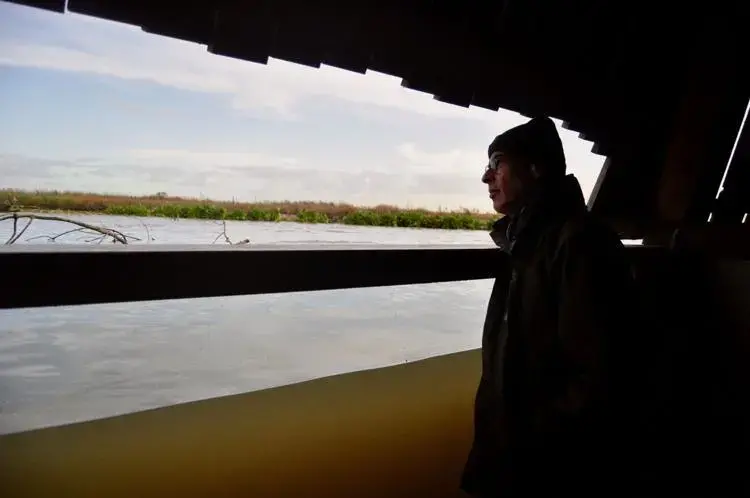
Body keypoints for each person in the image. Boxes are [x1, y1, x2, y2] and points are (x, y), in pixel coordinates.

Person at [460, 116, 638, 497]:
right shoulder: (525, 241)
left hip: (549, 467)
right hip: (517, 455)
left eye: (496, 164)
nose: (485, 178)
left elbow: (597, 374)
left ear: (536, 168)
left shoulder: (578, 243)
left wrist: (531, 444)